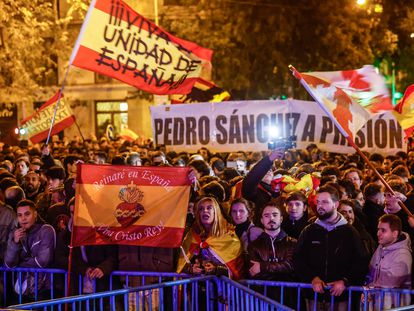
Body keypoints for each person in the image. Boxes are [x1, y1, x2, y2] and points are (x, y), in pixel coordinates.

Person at [294, 185, 368, 311]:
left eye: (325, 202)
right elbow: (298, 259)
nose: (320, 206)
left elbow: (361, 261)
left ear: (336, 204)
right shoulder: (309, 230)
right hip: (314, 296)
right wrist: (312, 278)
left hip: (341, 298)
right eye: (318, 202)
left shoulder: (350, 232)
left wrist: (345, 281)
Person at [177, 196, 244, 279]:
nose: (205, 211)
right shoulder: (192, 235)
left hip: (221, 289)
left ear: (216, 212)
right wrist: (190, 268)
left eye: (209, 208)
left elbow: (237, 271)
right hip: (196, 288)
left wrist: (216, 269)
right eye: (201, 209)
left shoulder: (229, 237)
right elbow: (181, 263)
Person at [4, 200, 56, 300]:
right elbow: (9, 264)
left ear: (35, 214)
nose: (23, 218)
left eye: (27, 214)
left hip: (43, 290)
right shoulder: (16, 233)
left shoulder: (46, 230)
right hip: (21, 289)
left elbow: (42, 262)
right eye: (19, 215)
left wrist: (20, 264)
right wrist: (15, 243)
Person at [366, 214, 412, 309]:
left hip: (394, 306)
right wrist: (366, 289)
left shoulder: (403, 254)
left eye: (383, 230)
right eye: (378, 229)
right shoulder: (381, 247)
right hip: (376, 304)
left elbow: (390, 283)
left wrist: (369, 289)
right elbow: (370, 272)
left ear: (394, 233)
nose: (378, 233)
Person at [248, 200, 296, 280]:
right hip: (262, 291)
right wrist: (280, 267)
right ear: (262, 220)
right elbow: (254, 272)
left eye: (275, 215)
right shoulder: (254, 246)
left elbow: (290, 266)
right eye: (267, 216)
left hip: (287, 291)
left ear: (281, 219)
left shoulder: (292, 243)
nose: (271, 218)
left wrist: (262, 266)